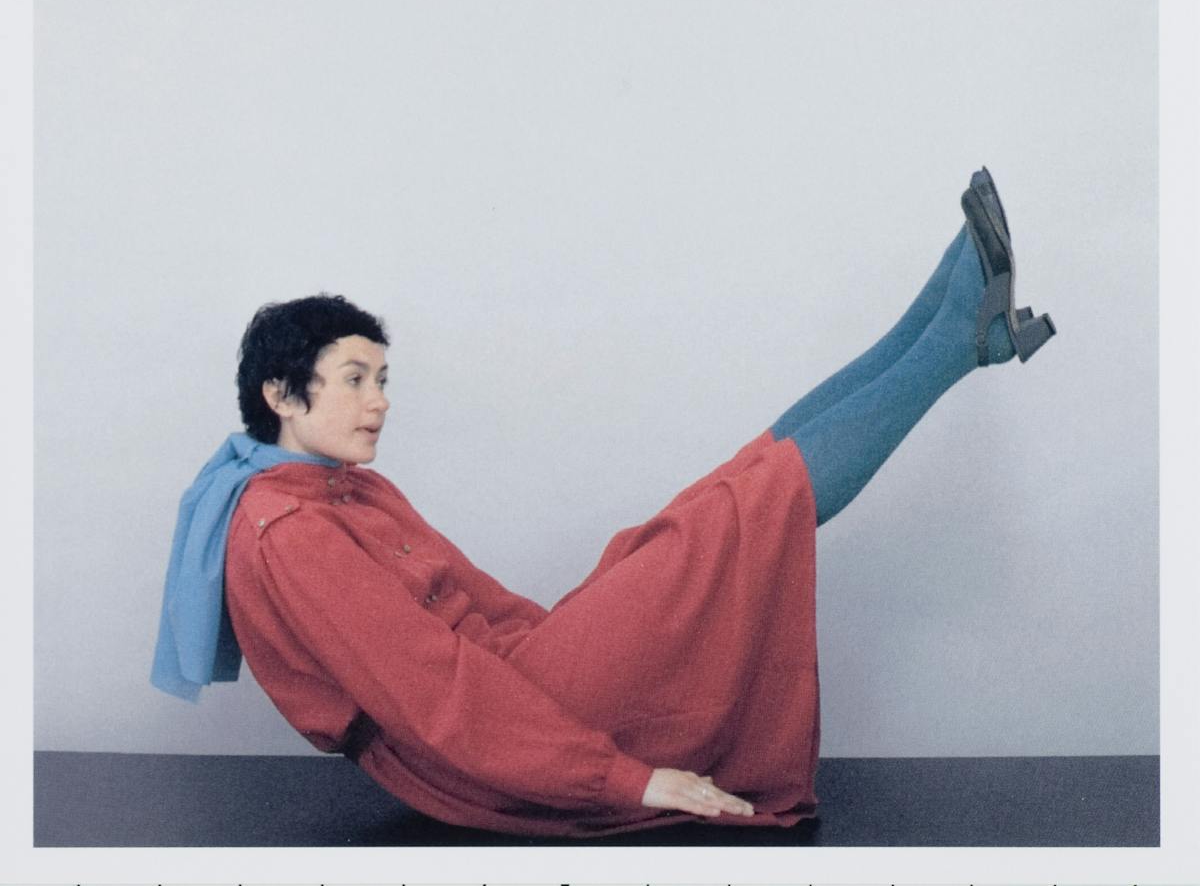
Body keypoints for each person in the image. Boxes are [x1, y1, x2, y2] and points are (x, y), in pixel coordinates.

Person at [151, 166, 1055, 837]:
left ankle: (943, 324)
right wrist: (624, 777)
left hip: (525, 676)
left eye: (382, 378)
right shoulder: (289, 533)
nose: (379, 400)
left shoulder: (344, 488)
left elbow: (481, 600)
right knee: (737, 517)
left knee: (719, 498)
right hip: (492, 736)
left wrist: (585, 625)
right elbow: (439, 697)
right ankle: (956, 342)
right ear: (281, 393)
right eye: (355, 378)